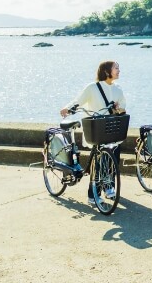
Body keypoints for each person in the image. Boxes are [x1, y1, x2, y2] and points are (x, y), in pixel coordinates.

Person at [60, 60, 127, 202]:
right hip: (98, 130)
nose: (119, 70)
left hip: (113, 129)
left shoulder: (118, 89)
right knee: (98, 163)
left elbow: (123, 108)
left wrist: (118, 108)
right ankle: (93, 194)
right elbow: (79, 101)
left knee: (113, 160)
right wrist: (68, 108)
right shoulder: (92, 88)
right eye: (116, 68)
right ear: (106, 71)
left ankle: (109, 187)